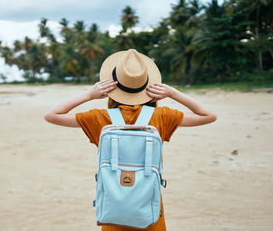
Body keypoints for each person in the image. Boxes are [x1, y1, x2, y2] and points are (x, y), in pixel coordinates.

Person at [44, 49, 217, 231]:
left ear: (111, 87)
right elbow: (209, 116)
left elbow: (51, 115)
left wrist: (88, 95)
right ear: (148, 84)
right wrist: (173, 93)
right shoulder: (162, 116)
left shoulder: (100, 118)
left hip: (113, 214)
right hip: (149, 215)